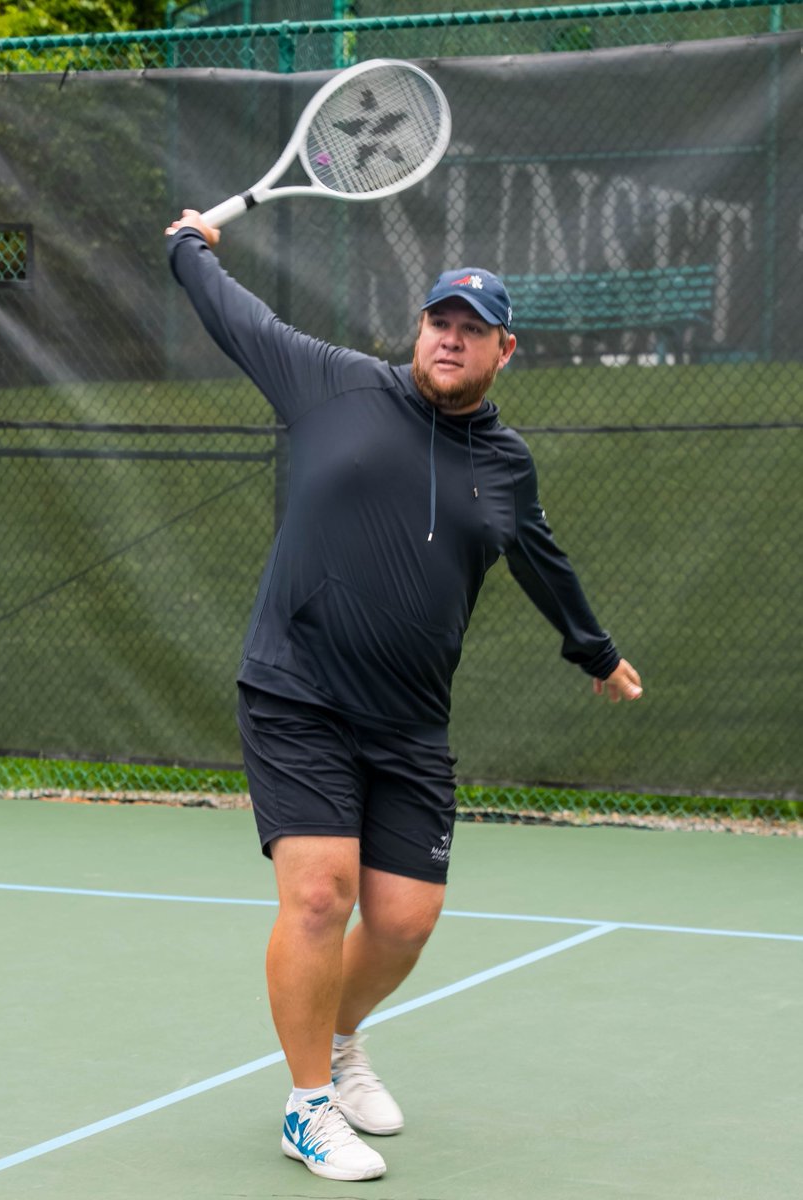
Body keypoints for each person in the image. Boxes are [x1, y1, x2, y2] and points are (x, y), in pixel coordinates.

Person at [164, 210, 643, 1183]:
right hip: (298, 691)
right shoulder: (334, 383)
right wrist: (189, 248)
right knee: (319, 895)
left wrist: (595, 653)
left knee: (404, 922)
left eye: (472, 329)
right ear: (418, 329)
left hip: (412, 721)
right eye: (438, 322)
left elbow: (542, 561)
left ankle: (341, 1044)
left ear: (504, 350)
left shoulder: (505, 465)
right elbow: (241, 320)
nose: (450, 339)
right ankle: (307, 1107)